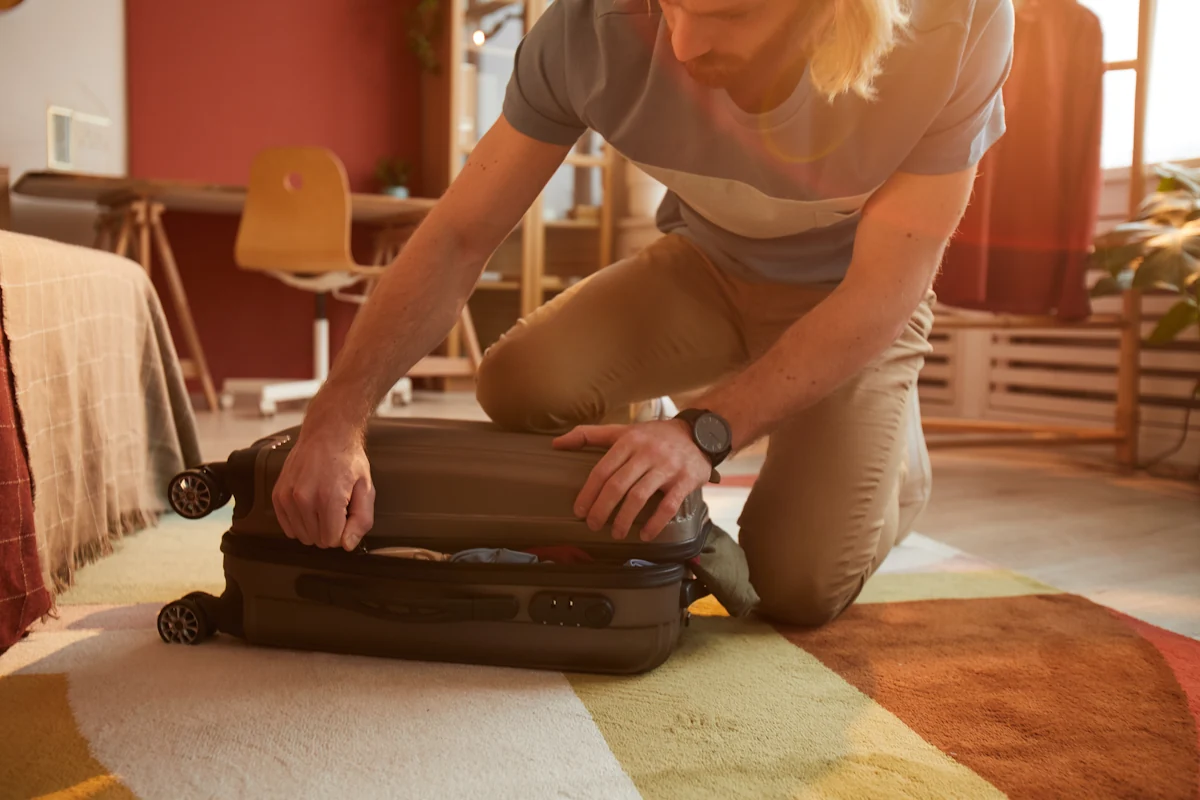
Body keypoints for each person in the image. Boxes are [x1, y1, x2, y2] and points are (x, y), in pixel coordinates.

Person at [270, 0, 1014, 625]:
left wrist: (704, 431)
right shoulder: (588, 26)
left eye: (729, 13)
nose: (682, 46)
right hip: (706, 269)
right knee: (519, 382)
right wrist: (337, 415)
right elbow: (458, 237)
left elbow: (884, 287)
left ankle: (899, 469)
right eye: (670, 3)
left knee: (795, 585)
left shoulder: (957, 23)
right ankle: (653, 425)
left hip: (852, 296)